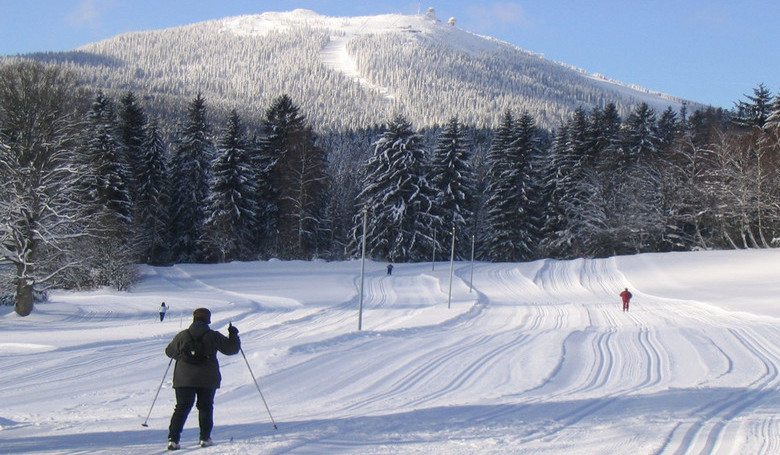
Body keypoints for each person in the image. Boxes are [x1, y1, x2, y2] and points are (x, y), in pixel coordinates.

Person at [165, 308, 240, 450]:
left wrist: (182, 358)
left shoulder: (183, 335)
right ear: (208, 320)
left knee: (181, 408)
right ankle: (205, 438)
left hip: (184, 378)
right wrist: (233, 334)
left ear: (194, 319)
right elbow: (232, 349)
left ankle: (173, 439)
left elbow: (169, 352)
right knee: (205, 407)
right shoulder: (213, 336)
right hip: (207, 379)